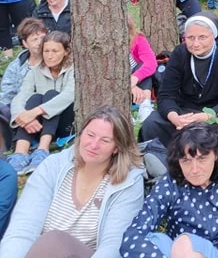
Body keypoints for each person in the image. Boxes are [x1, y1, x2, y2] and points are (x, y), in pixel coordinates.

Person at [0, 105, 145, 258]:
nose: (94, 145)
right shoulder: (53, 166)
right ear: (81, 135)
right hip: (40, 253)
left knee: (54, 240)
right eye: (90, 135)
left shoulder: (128, 182)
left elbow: (113, 245)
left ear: (116, 148)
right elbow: (22, 229)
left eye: (105, 140)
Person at [120, 124, 218, 258]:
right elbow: (134, 233)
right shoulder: (171, 182)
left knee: (186, 243)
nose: (194, 169)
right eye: (186, 160)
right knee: (152, 241)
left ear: (216, 154)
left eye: (202, 159)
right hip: (177, 253)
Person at [140, 13, 218, 168]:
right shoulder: (180, 54)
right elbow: (166, 95)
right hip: (186, 110)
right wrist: (174, 116)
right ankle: (165, 167)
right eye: (190, 38)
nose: (195, 43)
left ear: (213, 36)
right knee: (151, 124)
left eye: (202, 37)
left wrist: (209, 115)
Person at [7, 31, 75, 175]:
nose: (50, 55)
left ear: (66, 52)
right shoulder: (36, 70)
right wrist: (23, 118)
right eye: (46, 51)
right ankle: (20, 153)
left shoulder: (73, 70)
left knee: (51, 95)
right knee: (34, 97)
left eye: (55, 51)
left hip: (64, 126)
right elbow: (21, 96)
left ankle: (42, 151)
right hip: (37, 127)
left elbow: (69, 96)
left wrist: (36, 111)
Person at [0, 18, 47, 148]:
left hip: (41, 108)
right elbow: (7, 94)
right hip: (18, 110)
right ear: (25, 43)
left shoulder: (52, 59)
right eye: (34, 40)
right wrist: (20, 115)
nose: (39, 43)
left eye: (42, 38)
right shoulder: (17, 65)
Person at [128, 14, 158, 123]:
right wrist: (131, 86)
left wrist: (135, 78)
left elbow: (151, 63)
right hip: (120, 86)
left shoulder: (138, 39)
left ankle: (145, 106)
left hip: (139, 84)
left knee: (143, 67)